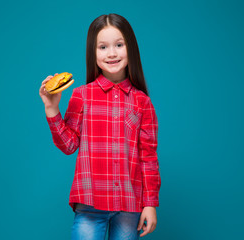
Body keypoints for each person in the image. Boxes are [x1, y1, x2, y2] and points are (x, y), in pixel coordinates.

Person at [39, 13, 161, 240]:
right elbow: (69, 145)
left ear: (130, 48)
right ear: (92, 53)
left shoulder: (142, 102)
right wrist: (52, 109)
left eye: (119, 45)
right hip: (90, 203)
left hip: (129, 204)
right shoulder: (81, 96)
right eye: (103, 47)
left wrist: (150, 204)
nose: (112, 53)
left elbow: (148, 158)